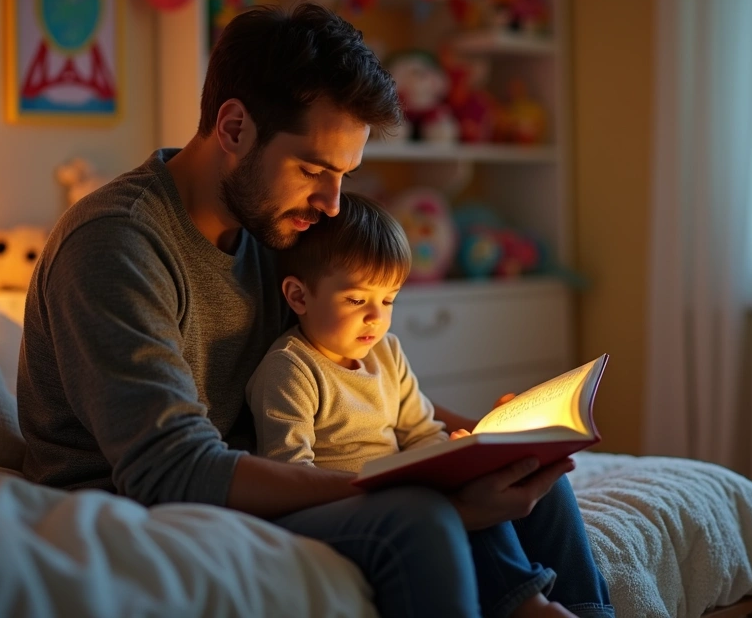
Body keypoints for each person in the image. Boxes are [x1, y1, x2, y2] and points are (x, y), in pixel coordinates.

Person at [17, 2, 611, 618]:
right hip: (143, 514)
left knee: (538, 483)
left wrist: (484, 442)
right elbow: (173, 471)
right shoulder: (117, 245)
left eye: (344, 175)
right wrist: (418, 485)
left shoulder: (272, 228)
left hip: (262, 473)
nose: (331, 204)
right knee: (419, 519)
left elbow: (355, 384)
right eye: (312, 169)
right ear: (233, 128)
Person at [246, 192, 612, 618]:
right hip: (348, 504)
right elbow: (289, 474)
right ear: (299, 296)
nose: (375, 318)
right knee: (449, 503)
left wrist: (457, 451)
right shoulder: (290, 370)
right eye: (356, 300)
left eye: (388, 301)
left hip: (399, 485)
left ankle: (588, 608)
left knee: (541, 477)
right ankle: (526, 604)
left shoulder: (387, 353)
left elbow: (420, 430)